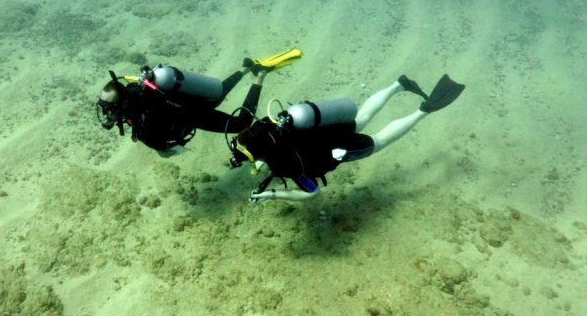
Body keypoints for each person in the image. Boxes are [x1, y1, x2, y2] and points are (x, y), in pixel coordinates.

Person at [228, 74, 465, 202]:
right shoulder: (265, 124)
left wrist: (272, 194)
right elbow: (266, 145)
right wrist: (259, 158)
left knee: (379, 140)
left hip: (340, 147)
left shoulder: (284, 164)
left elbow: (312, 192)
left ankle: (423, 110)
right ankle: (398, 85)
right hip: (331, 127)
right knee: (362, 117)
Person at [96, 48, 303, 156]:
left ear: (123, 103)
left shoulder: (143, 123)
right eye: (105, 109)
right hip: (191, 99)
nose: (108, 115)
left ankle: (260, 76)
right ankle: (246, 67)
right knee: (218, 93)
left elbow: (165, 148)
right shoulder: (134, 89)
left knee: (242, 125)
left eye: (110, 109)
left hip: (193, 115)